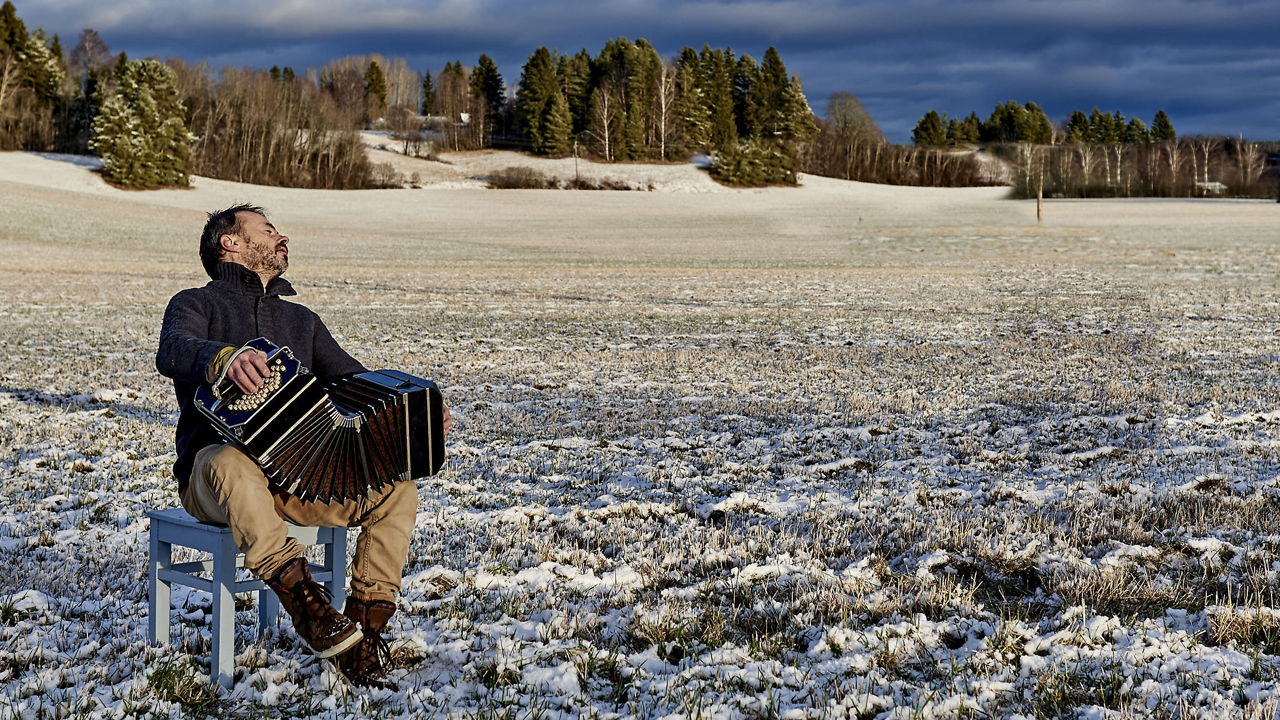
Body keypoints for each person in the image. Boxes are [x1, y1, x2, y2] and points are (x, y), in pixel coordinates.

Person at [155, 204, 449, 688]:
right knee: (232, 462)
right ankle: (307, 606)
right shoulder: (195, 303)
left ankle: (361, 635)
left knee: (398, 489)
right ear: (230, 243)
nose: (281, 237)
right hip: (213, 475)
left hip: (296, 481)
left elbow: (354, 381)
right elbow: (172, 350)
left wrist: (415, 410)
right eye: (267, 230)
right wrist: (223, 359)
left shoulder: (301, 319)